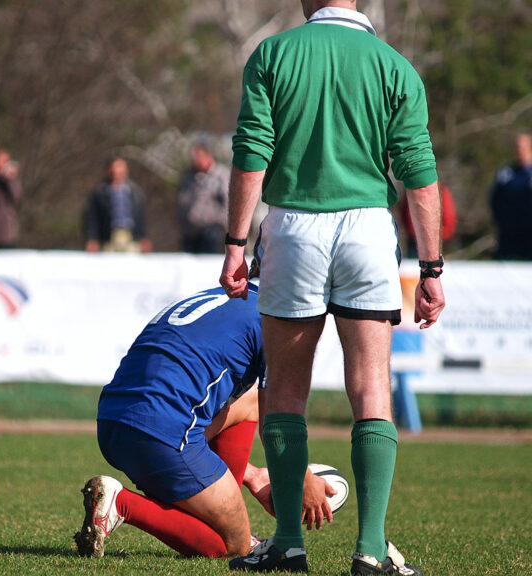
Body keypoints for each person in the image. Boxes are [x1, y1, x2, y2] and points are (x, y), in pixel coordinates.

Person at [219, 1, 445, 574]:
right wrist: (432, 268)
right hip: (368, 227)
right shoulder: (395, 66)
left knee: (287, 392)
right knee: (371, 388)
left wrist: (235, 244)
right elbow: (418, 171)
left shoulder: (273, 53)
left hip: (293, 225)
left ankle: (289, 543)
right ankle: (370, 550)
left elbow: (251, 154)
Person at [74, 269, 336, 560]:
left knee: (249, 401)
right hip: (161, 434)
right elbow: (275, 429)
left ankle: (221, 499)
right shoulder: (275, 318)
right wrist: (304, 479)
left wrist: (253, 475)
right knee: (234, 546)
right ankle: (121, 503)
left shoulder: (226, 297)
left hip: (112, 422)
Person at [84, 156, 151, 253]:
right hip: (109, 237)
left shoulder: (135, 192)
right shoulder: (99, 192)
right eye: (115, 168)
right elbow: (92, 218)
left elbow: (141, 217)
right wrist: (92, 238)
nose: (118, 171)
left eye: (121, 168)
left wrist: (144, 237)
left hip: (130, 237)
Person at [177, 142, 230, 253]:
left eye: (199, 157)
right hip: (190, 231)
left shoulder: (221, 175)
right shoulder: (189, 177)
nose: (196, 160)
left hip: (212, 231)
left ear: (208, 156)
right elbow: (182, 201)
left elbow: (228, 203)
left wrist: (219, 221)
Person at [489, 133, 532, 260]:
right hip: (508, 236)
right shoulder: (506, 174)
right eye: (517, 147)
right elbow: (494, 200)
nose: (519, 151)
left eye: (522, 148)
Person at [399, 181, 457, 258]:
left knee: (433, 266)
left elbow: (448, 217)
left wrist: (440, 237)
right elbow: (405, 213)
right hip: (414, 241)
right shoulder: (411, 189)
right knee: (413, 266)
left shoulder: (441, 191)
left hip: (434, 241)